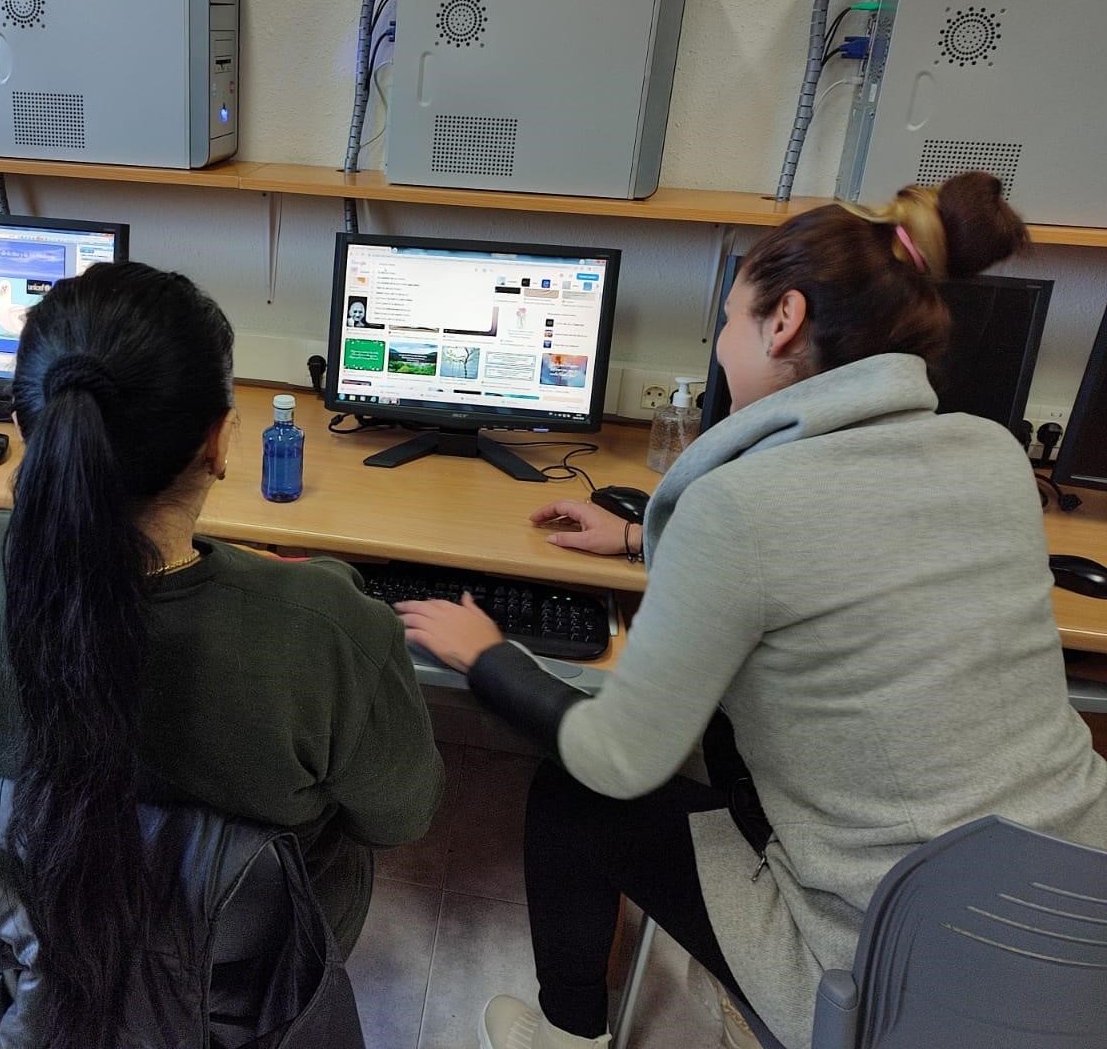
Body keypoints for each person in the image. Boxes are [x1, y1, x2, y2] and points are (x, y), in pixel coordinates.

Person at [399, 172, 1107, 1049]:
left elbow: (617, 758)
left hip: (888, 965)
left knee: (578, 794)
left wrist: (487, 656)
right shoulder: (993, 455)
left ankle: (569, 1033)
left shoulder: (741, 504)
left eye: (731, 319)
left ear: (786, 320)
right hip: (1075, 912)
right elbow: (845, 552)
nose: (724, 344)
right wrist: (638, 542)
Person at [0, 261, 444, 1045]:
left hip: (3, 925)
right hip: (228, 958)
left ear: (33, 428)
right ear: (220, 442)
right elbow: (399, 817)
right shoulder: (327, 632)